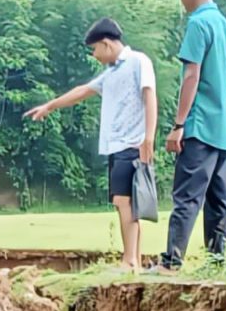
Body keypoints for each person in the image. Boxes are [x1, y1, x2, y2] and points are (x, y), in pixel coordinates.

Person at [23, 18, 158, 269]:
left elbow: (150, 95)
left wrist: (149, 137)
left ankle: (129, 260)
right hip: (115, 146)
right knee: (124, 203)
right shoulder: (111, 73)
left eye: (95, 49)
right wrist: (49, 106)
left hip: (132, 143)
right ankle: (134, 261)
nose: (94, 55)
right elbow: (82, 91)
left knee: (124, 201)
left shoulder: (138, 61)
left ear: (106, 44)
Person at [164, 0, 226, 270]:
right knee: (219, 201)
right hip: (224, 129)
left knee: (187, 196)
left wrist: (178, 124)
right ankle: (217, 263)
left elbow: (191, 75)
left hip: (201, 125)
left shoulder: (198, 23)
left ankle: (171, 262)